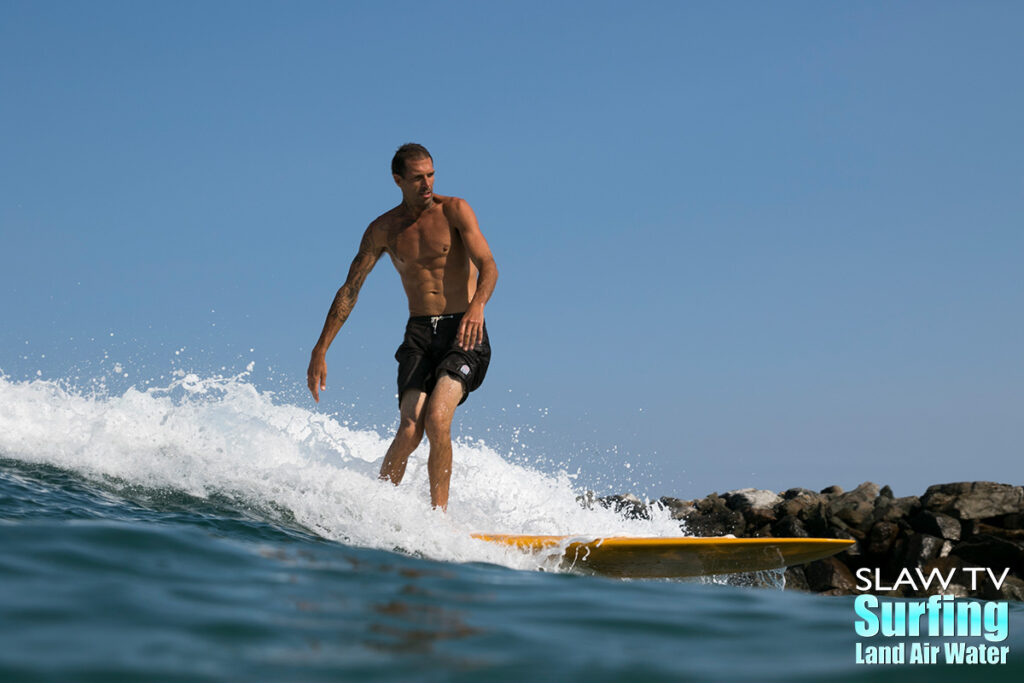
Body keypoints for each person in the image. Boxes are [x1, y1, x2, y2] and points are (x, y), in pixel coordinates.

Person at [307, 143, 498, 511]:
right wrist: (321, 349)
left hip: (464, 330)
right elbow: (350, 289)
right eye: (417, 178)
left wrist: (478, 306)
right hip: (420, 334)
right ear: (398, 180)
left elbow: (489, 265)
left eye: (431, 175)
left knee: (438, 419)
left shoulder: (455, 210)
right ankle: (377, 511)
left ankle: (438, 520)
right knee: (410, 429)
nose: (427, 184)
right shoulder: (383, 229)